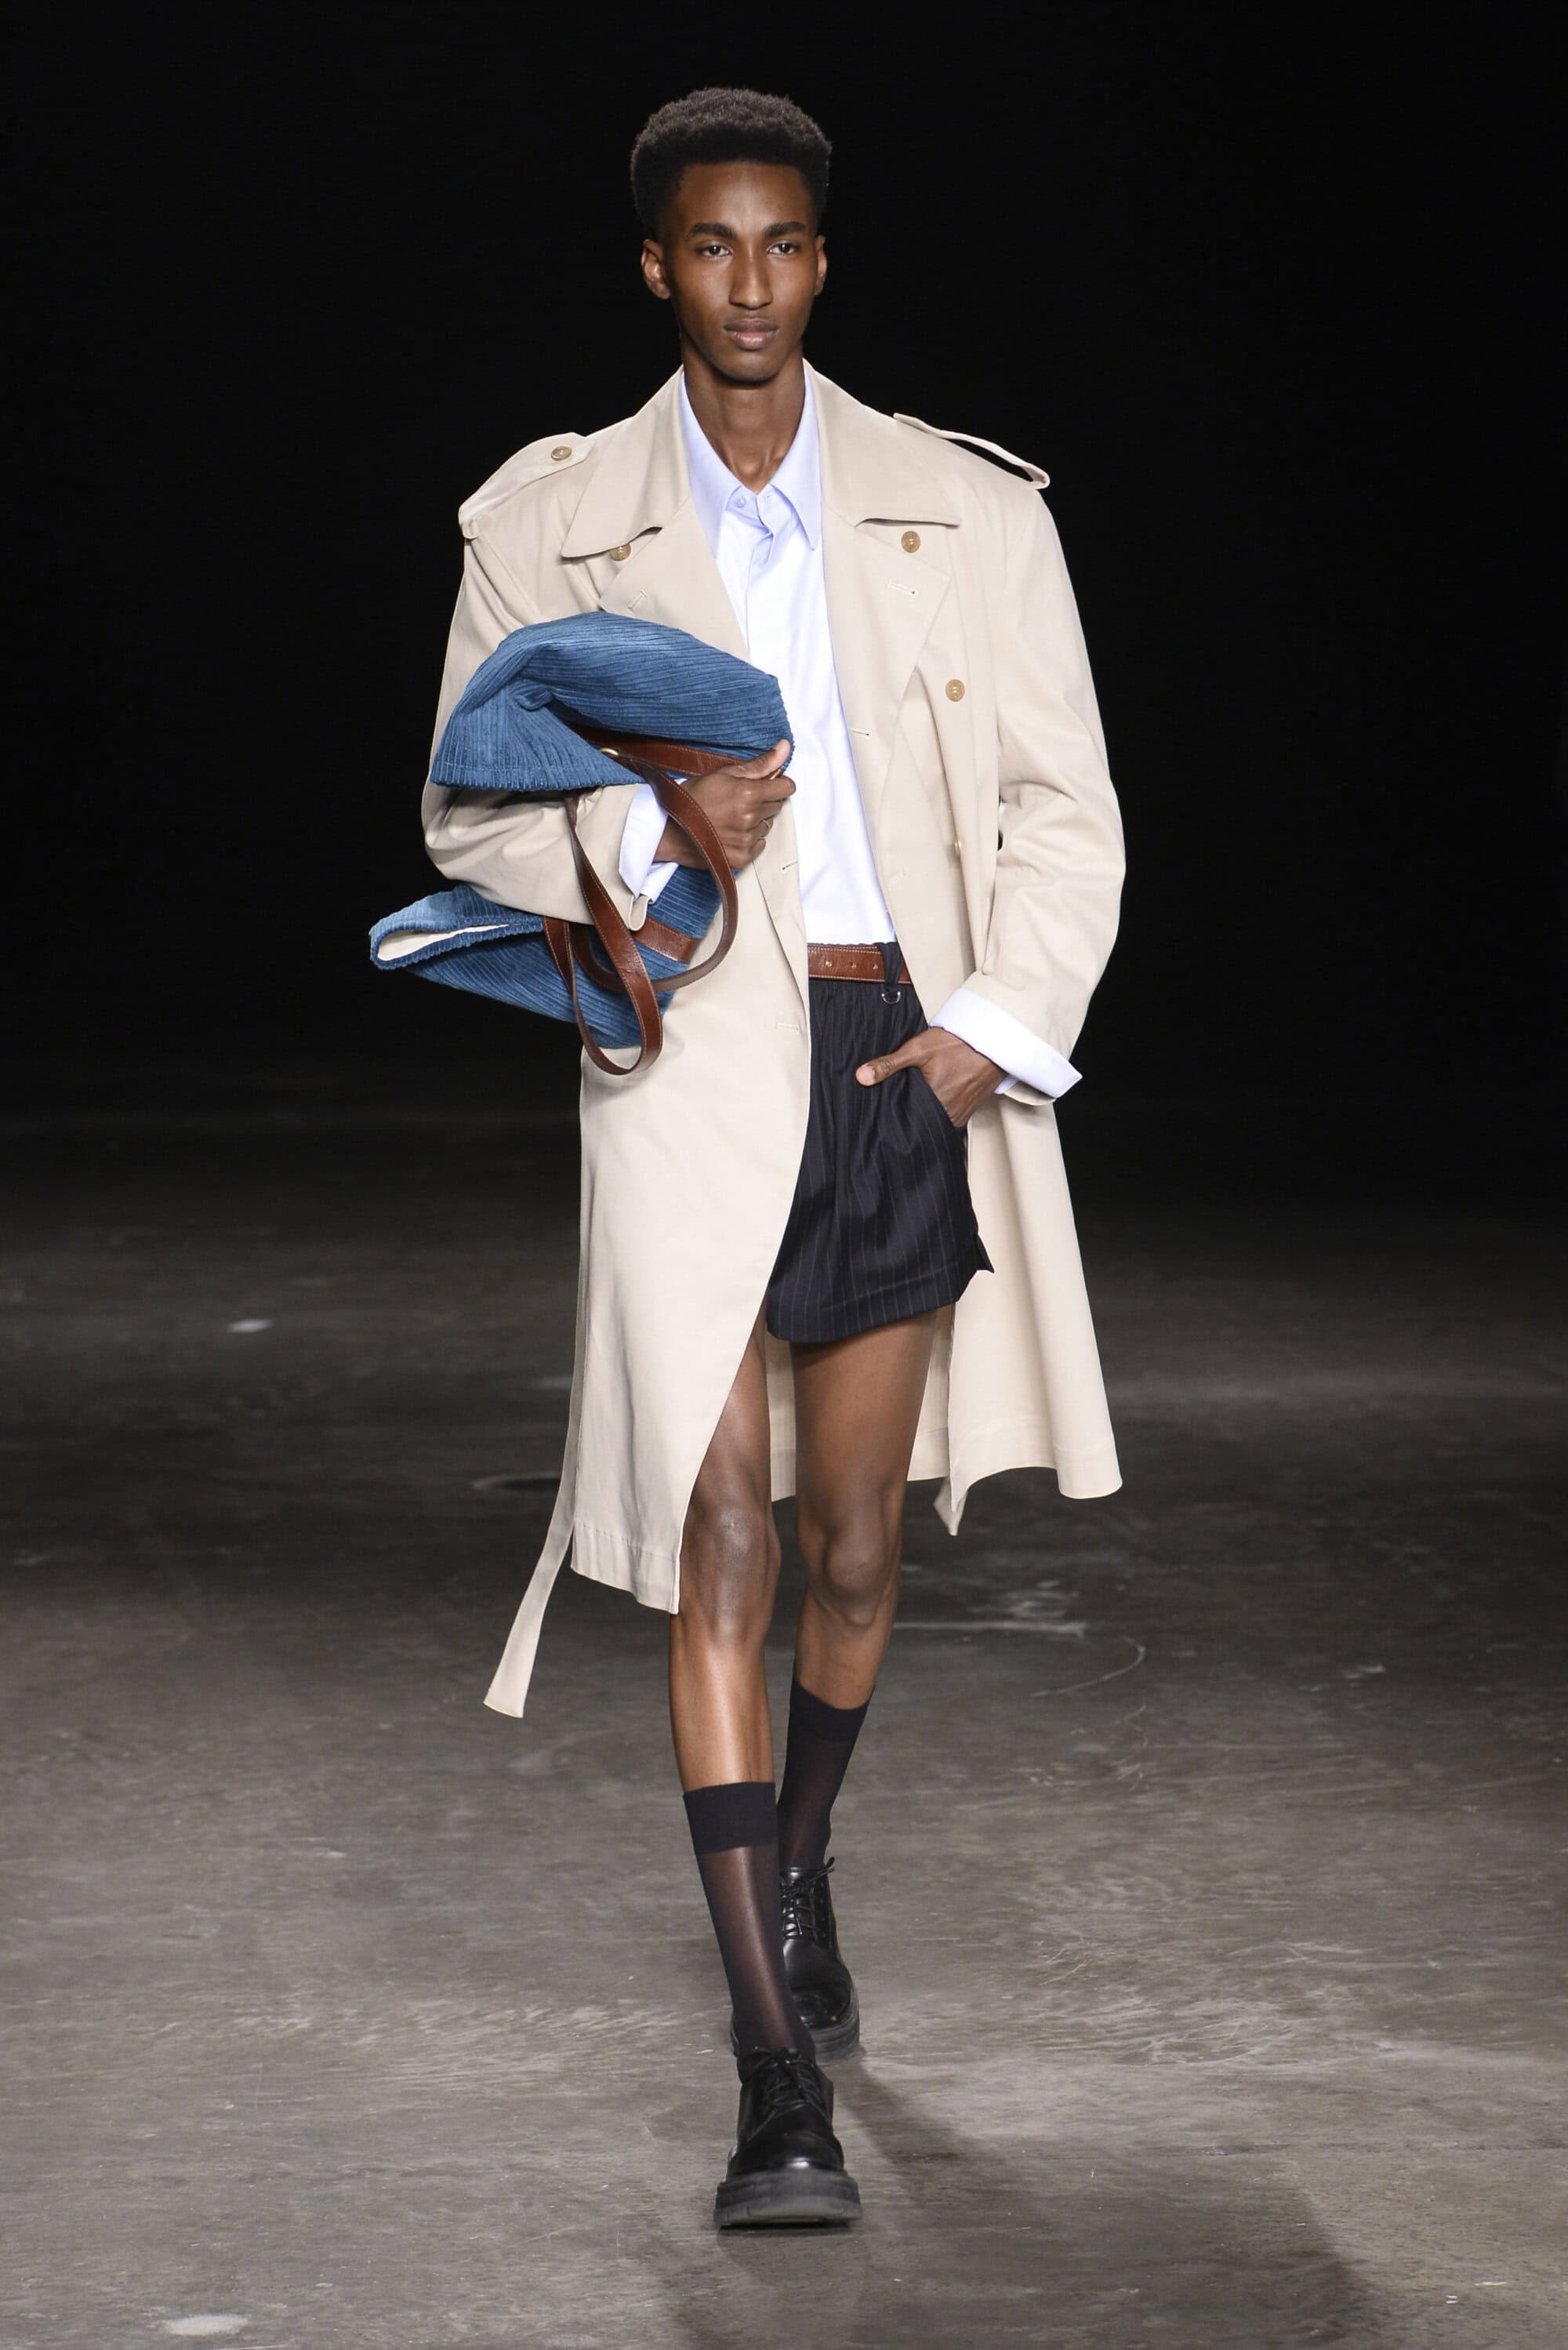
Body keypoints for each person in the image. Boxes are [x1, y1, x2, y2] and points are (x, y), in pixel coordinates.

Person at [419, 86, 1124, 2227]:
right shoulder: (550, 518)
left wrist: (989, 1038)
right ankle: (771, 2083)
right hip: (690, 1062)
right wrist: (653, 827)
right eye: (712, 247)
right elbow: (465, 814)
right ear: (658, 265)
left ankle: (798, 1864)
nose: (751, 283)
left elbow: (1065, 805)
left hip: (900, 1051)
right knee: (722, 1535)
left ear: (824, 261)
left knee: (852, 1546)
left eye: (786, 244)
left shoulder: (962, 507)